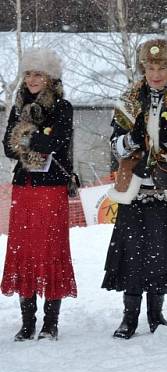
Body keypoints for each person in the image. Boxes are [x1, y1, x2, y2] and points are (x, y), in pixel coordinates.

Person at [103, 39, 167, 338]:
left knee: (163, 255)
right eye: (150, 67)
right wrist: (131, 139)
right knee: (133, 256)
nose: (155, 74)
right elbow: (115, 144)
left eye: (161, 68)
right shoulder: (129, 97)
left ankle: (156, 315)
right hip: (136, 187)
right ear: (143, 68)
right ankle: (129, 317)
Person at [2, 48, 77, 341]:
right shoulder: (17, 105)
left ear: (50, 77)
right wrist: (34, 138)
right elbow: (8, 147)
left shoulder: (63, 107)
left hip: (52, 188)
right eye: (29, 73)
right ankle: (27, 321)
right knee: (25, 252)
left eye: (39, 74)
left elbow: (55, 142)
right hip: (24, 187)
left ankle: (50, 323)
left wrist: (26, 136)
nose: (33, 79)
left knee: (50, 251)